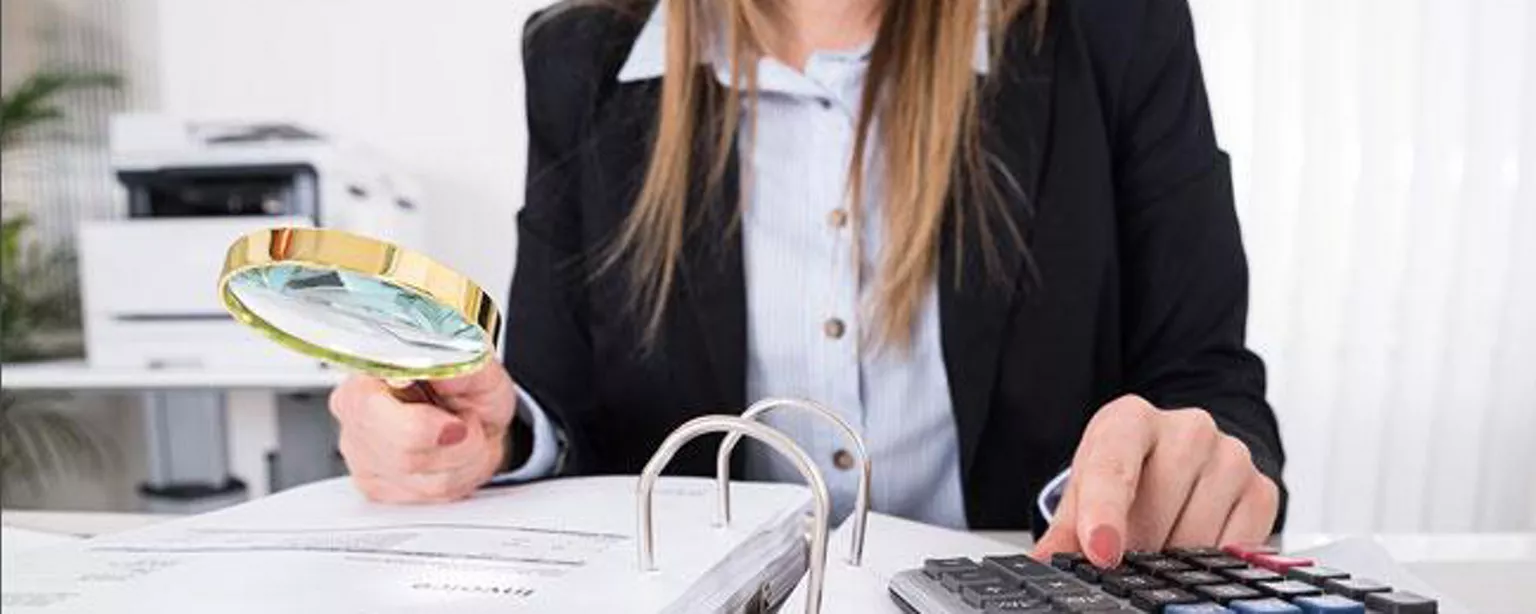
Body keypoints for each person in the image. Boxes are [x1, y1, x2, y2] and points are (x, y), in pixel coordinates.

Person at [327, 0, 1286, 570]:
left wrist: (1169, 474)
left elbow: (1208, 386)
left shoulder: (1108, 28)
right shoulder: (582, 58)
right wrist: (479, 436)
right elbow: (557, 407)